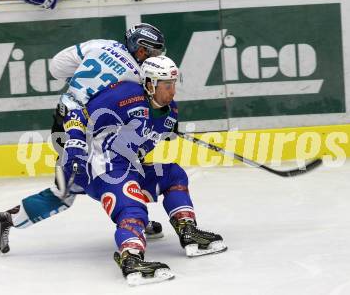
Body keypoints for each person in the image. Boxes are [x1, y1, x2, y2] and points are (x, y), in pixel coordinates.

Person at [0, 23, 166, 256]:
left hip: (63, 117)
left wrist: (83, 87)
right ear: (139, 48)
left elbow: (57, 67)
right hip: (82, 127)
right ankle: (5, 219)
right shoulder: (136, 76)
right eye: (151, 52)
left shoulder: (101, 45)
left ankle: (134, 217)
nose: (153, 57)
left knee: (108, 170)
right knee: (72, 186)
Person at [62, 55, 227, 285]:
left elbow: (148, 133)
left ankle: (187, 230)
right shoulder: (124, 95)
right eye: (167, 86)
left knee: (173, 174)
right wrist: (75, 147)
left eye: (174, 85)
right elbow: (78, 115)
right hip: (104, 168)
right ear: (150, 84)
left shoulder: (170, 113)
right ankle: (130, 257)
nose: (173, 92)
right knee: (132, 208)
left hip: (129, 168)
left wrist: (162, 126)